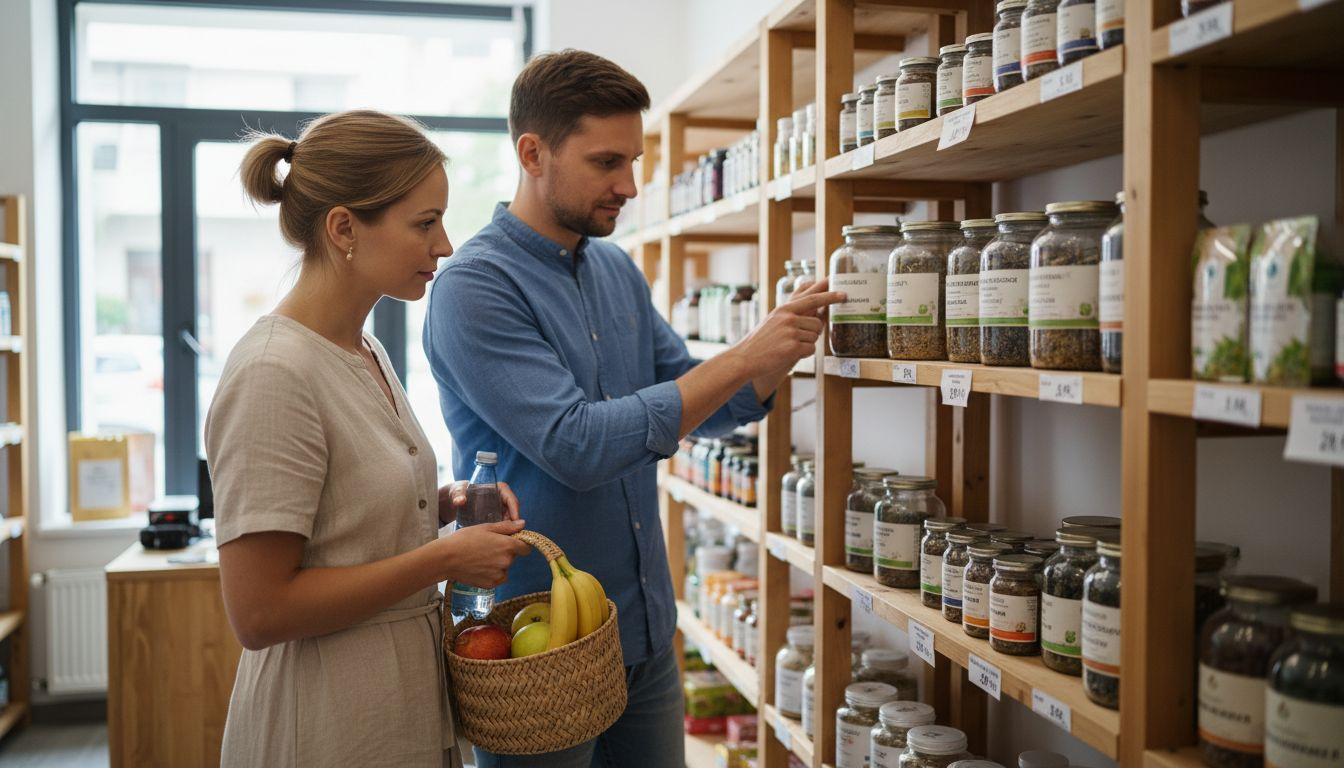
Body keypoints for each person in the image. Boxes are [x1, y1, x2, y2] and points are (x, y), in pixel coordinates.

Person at [424, 51, 843, 767]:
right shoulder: (474, 286)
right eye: (607, 162)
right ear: (533, 153)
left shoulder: (615, 267)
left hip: (644, 629)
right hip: (539, 647)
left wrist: (776, 350)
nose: (629, 185)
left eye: (635, 160)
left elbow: (697, 397)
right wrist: (741, 355)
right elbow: (576, 445)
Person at [206, 109, 532, 768]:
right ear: (344, 229)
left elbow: (339, 517)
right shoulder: (274, 371)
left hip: (398, 702)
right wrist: (444, 559)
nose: (444, 245)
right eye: (424, 223)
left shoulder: (365, 351)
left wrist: (437, 506)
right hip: (325, 722)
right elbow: (261, 612)